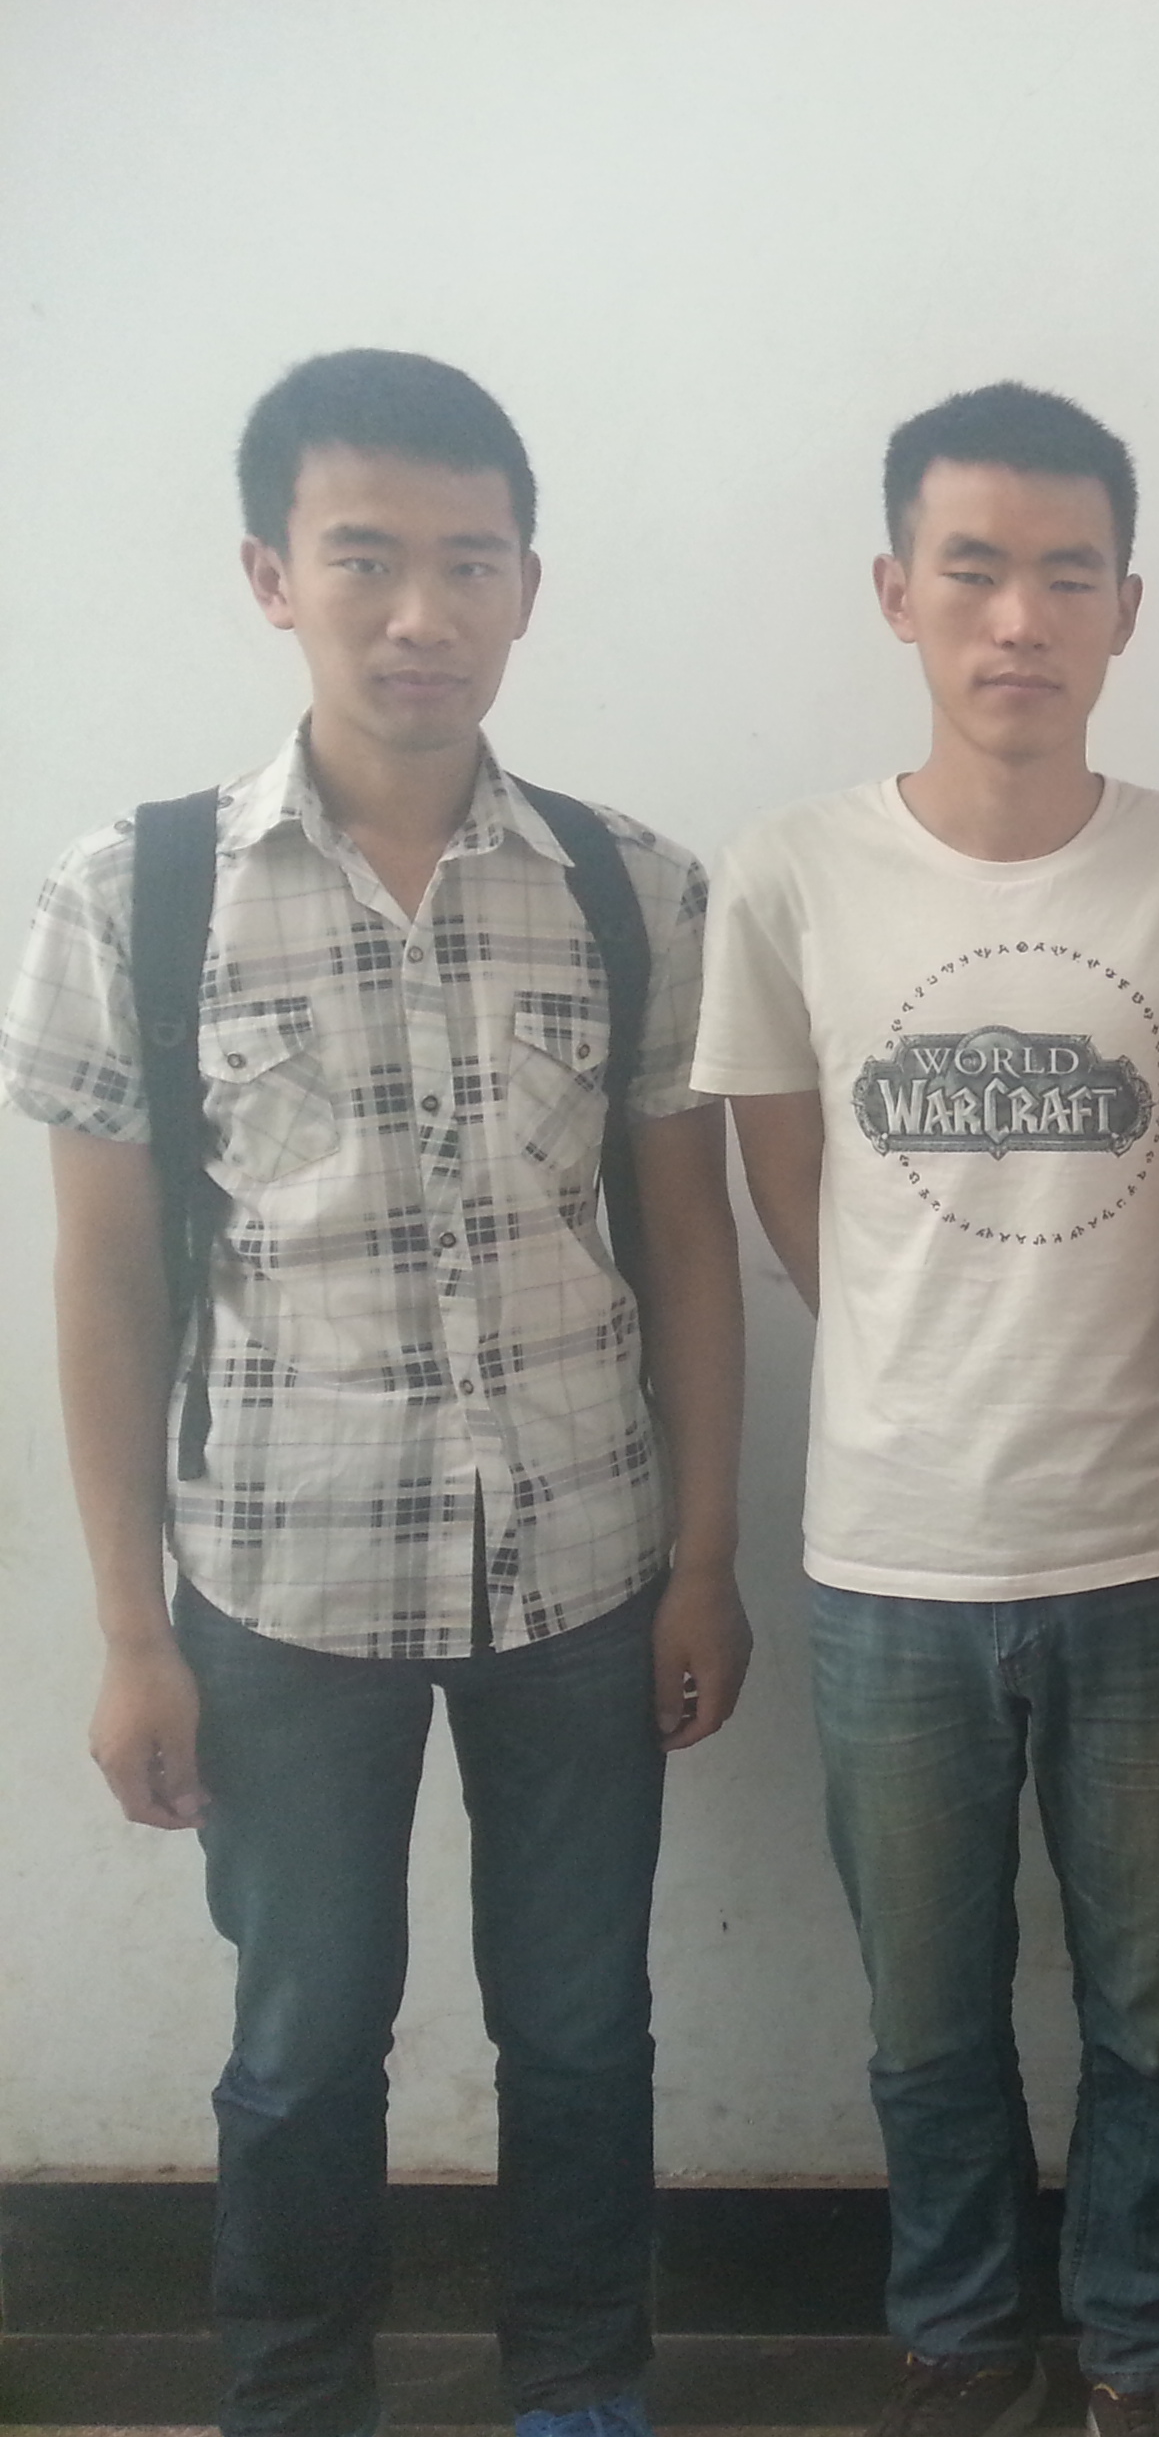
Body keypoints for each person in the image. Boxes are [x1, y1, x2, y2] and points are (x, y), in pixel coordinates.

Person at [3, 348, 749, 2437]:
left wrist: (703, 1561)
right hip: (279, 1586)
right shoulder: (136, 892)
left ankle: (579, 2391)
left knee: (581, 2031)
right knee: (305, 2040)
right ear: (272, 575)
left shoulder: (631, 887)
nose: (421, 612)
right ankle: (292, 2396)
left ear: (528, 588)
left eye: (470, 563)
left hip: (583, 1567)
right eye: (365, 559)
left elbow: (690, 1246)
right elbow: (106, 1279)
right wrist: (131, 1630)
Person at [693, 382, 1159, 2437]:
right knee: (928, 2021)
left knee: (1155, 2007)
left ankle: (1144, 2348)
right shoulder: (789, 876)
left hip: (1145, 1545)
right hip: (890, 1555)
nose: (1019, 618)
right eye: (973, 570)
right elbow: (795, 1206)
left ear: (1127, 604)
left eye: (1066, 574)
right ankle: (958, 2344)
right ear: (897, 593)